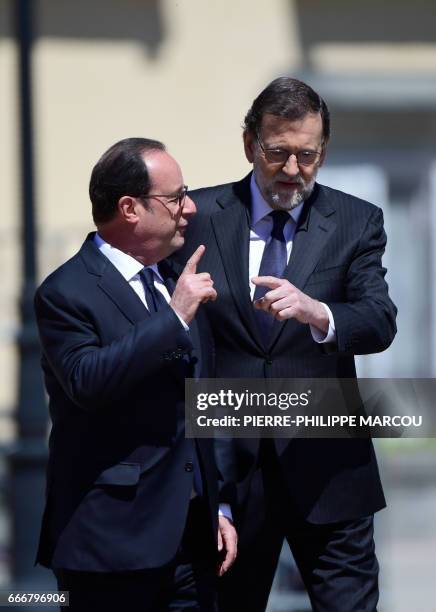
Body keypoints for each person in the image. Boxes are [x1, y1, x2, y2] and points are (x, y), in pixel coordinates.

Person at [174, 78, 397, 611]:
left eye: (308, 155)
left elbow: (378, 320)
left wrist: (318, 312)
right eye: (278, 153)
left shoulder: (356, 220)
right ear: (250, 143)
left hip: (328, 469)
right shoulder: (197, 216)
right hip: (229, 472)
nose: (293, 170)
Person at [34, 137, 237, 611]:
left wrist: (219, 504)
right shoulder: (66, 292)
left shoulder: (175, 278)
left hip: (192, 542)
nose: (189, 207)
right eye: (175, 197)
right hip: (111, 546)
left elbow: (204, 398)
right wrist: (174, 318)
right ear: (130, 208)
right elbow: (87, 380)